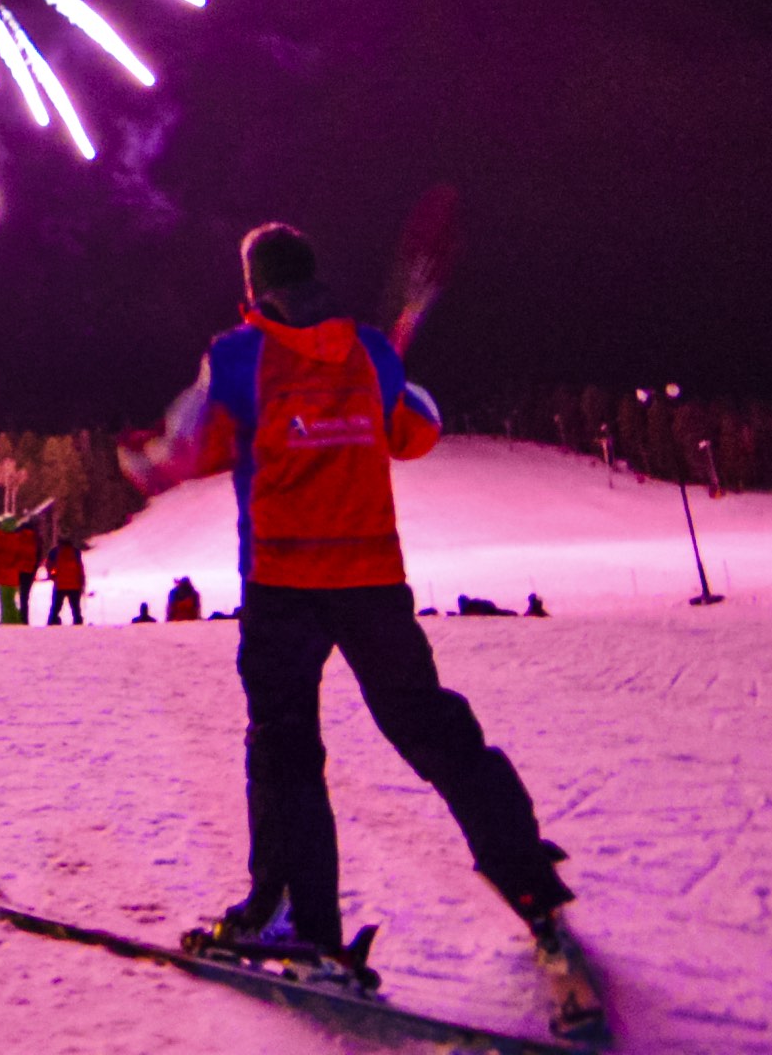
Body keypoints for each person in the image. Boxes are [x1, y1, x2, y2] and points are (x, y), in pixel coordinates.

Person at [134, 222, 601, 1041]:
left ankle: (295, 917)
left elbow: (186, 447)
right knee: (434, 732)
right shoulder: (371, 351)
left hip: (283, 587)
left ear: (253, 287)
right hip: (372, 582)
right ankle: (529, 882)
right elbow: (418, 431)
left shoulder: (236, 355)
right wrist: (367, 381)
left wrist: (147, 461)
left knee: (284, 746)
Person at [0, 515, 40, 625]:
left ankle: (12, 620)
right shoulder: (18, 538)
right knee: (9, 599)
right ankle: (11, 619)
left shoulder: (1, 538)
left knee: (5, 599)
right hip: (13, 573)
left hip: (3, 573)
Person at [44, 537, 87, 625]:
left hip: (60, 584)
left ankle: (53, 621)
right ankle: (78, 622)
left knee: (56, 607)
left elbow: (49, 566)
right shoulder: (76, 552)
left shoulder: (55, 551)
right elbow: (80, 568)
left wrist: (53, 575)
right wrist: (82, 582)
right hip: (75, 585)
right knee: (75, 607)